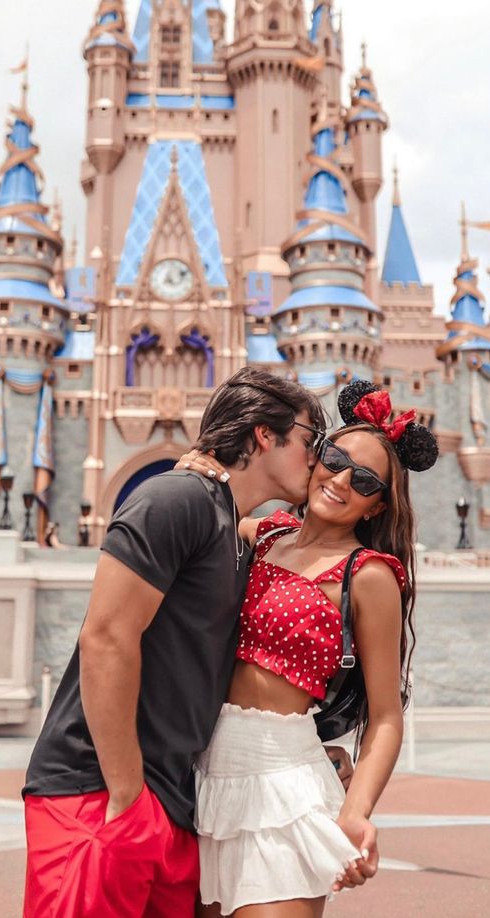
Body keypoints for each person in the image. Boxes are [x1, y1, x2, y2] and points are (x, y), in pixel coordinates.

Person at [22, 367, 346, 918]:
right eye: (310, 441)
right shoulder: (177, 500)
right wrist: (127, 796)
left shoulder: (231, 528)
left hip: (173, 803)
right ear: (265, 435)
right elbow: (105, 638)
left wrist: (306, 748)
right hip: (99, 790)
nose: (317, 460)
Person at [179, 378, 438, 918]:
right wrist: (198, 467)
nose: (341, 480)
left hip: (286, 785)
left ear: (376, 507)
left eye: (364, 480)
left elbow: (387, 716)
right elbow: (211, 510)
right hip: (206, 776)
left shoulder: (368, 576)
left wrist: (358, 811)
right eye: (335, 458)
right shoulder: (266, 535)